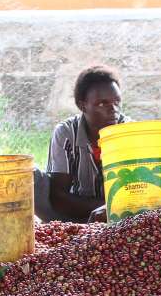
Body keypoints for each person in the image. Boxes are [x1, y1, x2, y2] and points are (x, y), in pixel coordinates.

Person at [36, 66, 124, 223]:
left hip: (120, 214)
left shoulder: (130, 132)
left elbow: (139, 190)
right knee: (32, 178)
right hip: (74, 211)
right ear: (82, 106)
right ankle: (65, 228)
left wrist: (112, 210)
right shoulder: (66, 133)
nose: (113, 110)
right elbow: (58, 196)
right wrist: (105, 207)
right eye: (102, 104)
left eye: (117, 101)